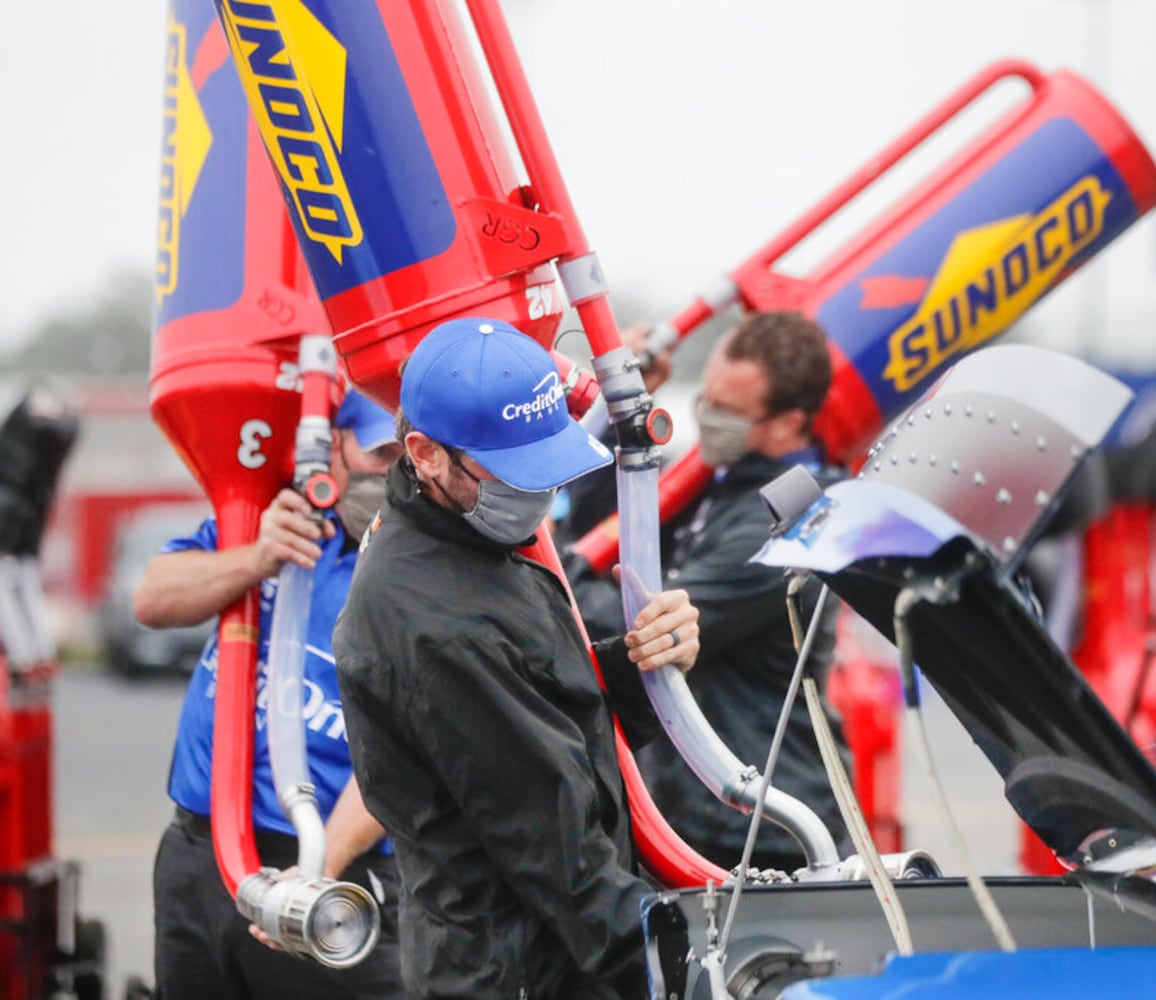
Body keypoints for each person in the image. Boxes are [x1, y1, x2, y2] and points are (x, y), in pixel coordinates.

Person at [333, 317, 702, 999]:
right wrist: (689, 967)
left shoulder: (474, 546)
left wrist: (642, 661)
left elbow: (545, 706)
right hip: (516, 972)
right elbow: (553, 850)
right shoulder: (434, 621)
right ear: (426, 453)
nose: (536, 495)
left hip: (549, 949)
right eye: (512, 472)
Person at [136, 389, 406, 1000]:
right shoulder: (269, 525)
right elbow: (152, 598)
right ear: (330, 449)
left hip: (323, 872)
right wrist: (255, 558)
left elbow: (402, 760)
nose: (388, 472)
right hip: (195, 855)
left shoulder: (416, 576)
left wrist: (317, 874)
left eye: (401, 455)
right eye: (374, 452)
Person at [566, 310, 853, 875]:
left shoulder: (790, 524)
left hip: (766, 828)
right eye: (708, 397)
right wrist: (620, 415)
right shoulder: (721, 486)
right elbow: (615, 526)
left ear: (789, 424)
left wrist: (560, 572)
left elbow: (645, 626)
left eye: (727, 409)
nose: (707, 415)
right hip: (705, 808)